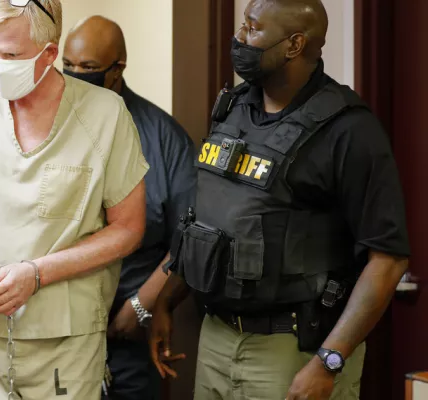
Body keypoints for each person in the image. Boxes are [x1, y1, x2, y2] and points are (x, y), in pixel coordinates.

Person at [149, 0, 411, 399]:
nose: (239, 39)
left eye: (252, 29)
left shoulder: (350, 131)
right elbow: (210, 221)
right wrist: (166, 302)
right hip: (216, 337)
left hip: (292, 350)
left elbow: (388, 260)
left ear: (294, 44)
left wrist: (329, 361)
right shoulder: (233, 108)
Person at [0, 0, 150, 399]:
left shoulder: (104, 116)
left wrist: (38, 273)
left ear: (49, 53)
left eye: (10, 55)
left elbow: (129, 229)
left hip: (65, 338)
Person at [63, 16, 196, 400]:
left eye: (87, 68)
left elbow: (191, 238)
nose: (74, 75)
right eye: (67, 66)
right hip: (58, 330)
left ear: (117, 68)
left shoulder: (161, 137)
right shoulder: (49, 127)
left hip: (127, 337)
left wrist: (139, 307)